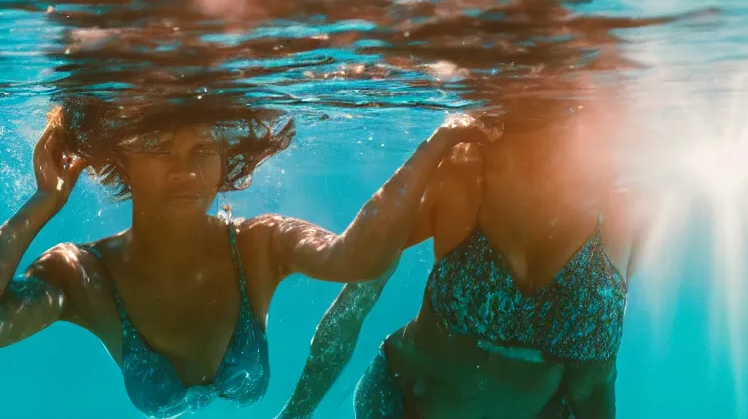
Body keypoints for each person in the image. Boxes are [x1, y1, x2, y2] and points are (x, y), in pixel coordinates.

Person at [0, 95, 490, 418]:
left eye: (203, 152)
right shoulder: (82, 275)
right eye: (159, 151)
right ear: (124, 163)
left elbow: (355, 259)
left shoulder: (259, 244)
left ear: (224, 163)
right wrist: (45, 202)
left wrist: (436, 144)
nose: (186, 169)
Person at [276, 78, 652, 418]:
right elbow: (356, 299)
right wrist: (295, 414)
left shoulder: (622, 207)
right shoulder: (458, 171)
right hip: (401, 405)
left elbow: (594, 382)